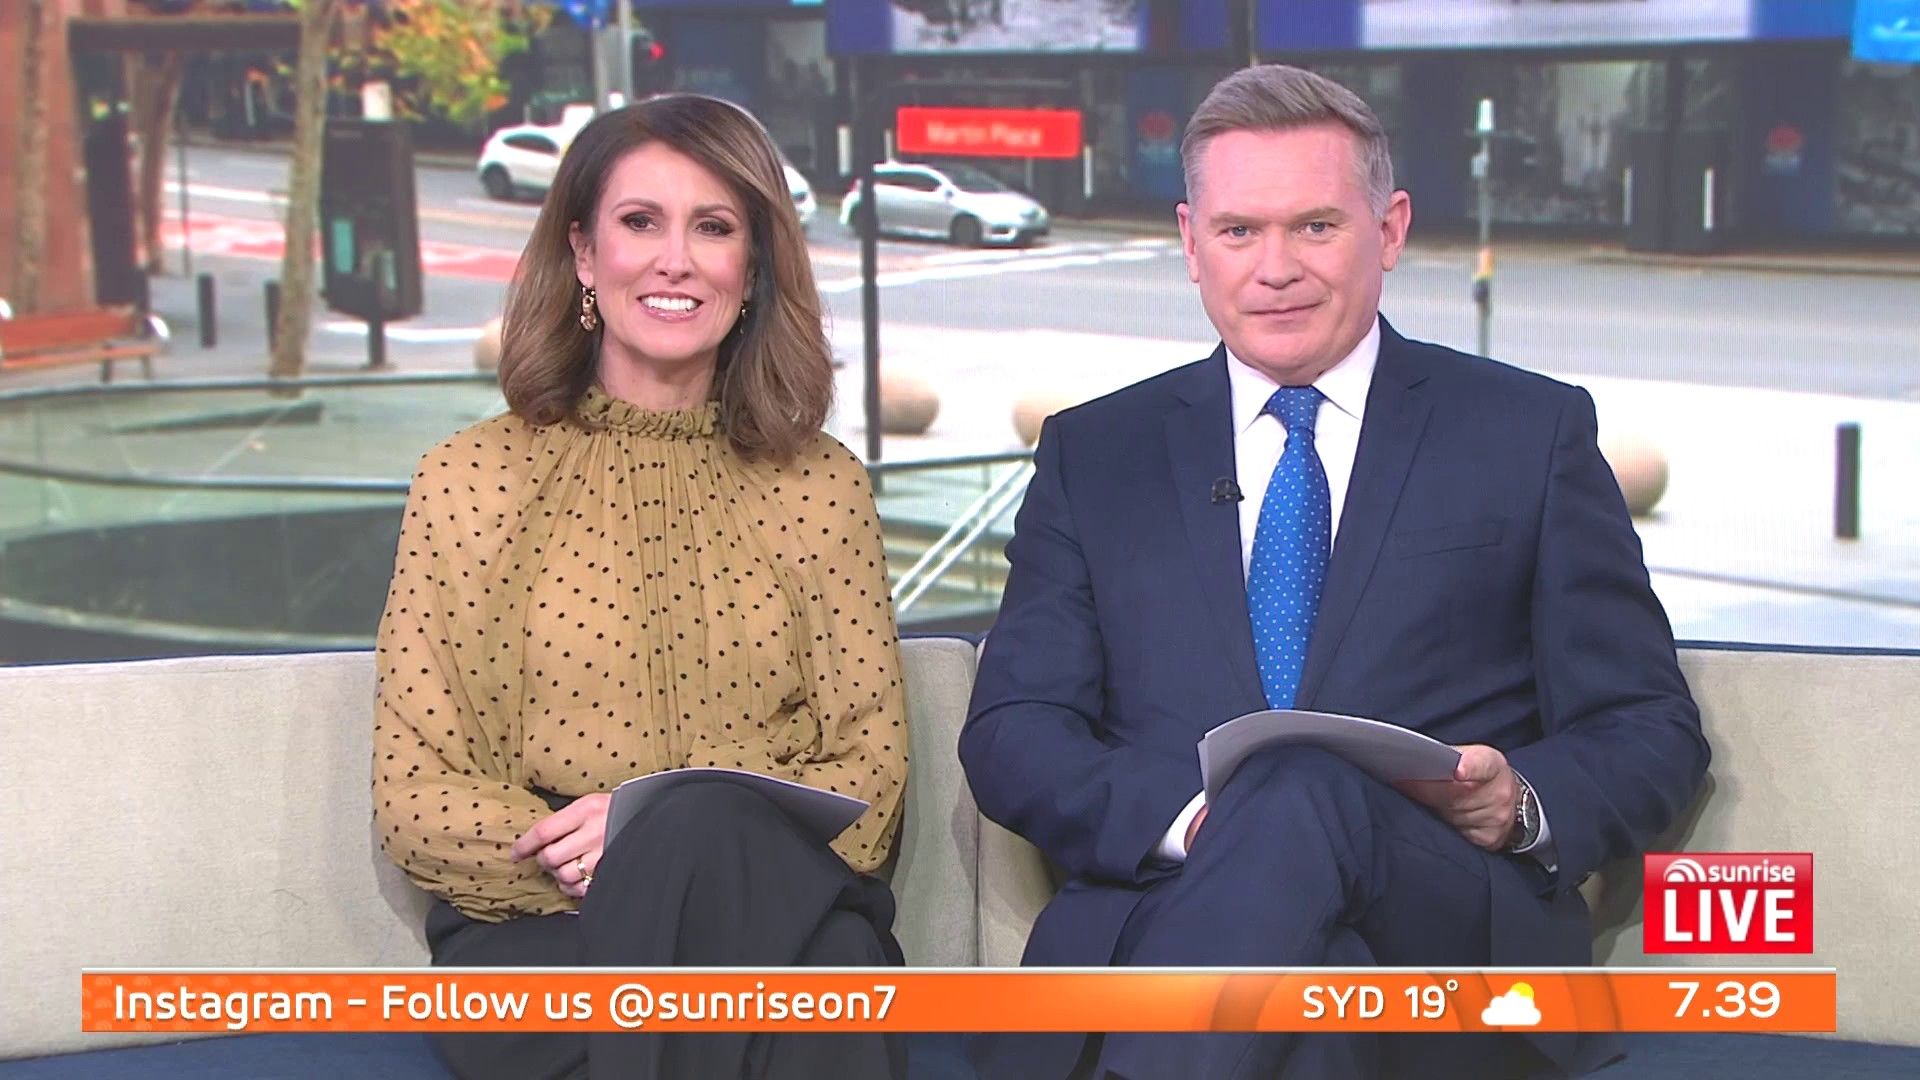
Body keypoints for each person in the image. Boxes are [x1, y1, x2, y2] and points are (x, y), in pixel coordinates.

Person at [959, 64, 1708, 1080]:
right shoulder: (1097, 454)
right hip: (1178, 916)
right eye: (1239, 231)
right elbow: (1015, 731)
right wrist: (1205, 825)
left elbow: (1648, 727)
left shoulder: (1528, 434)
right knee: (1312, 999)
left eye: (1315, 227)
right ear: (1191, 243)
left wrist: (1522, 800)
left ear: (1389, 230)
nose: (1276, 269)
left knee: (1302, 785)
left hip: (1446, 927)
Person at [371, 94, 910, 1080]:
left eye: (714, 227)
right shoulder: (469, 481)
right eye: (640, 222)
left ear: (753, 265)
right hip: (544, 934)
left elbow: (870, 784)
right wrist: (619, 850)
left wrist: (664, 827)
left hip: (780, 889)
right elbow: (418, 796)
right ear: (583, 253)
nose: (676, 260)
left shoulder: (822, 486)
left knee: (761, 892)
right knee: (823, 976)